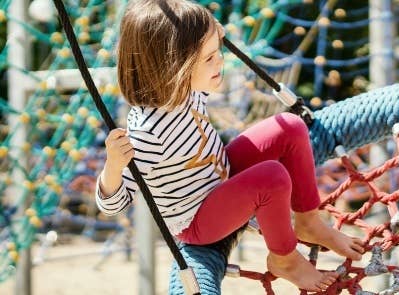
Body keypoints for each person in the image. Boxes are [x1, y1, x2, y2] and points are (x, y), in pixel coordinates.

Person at [94, 0, 364, 291]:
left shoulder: (186, 89)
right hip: (198, 221)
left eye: (217, 52)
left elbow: (187, 44)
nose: (220, 62)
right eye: (209, 58)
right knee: (271, 177)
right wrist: (113, 166)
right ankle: (283, 259)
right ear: (174, 67)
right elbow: (113, 204)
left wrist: (210, 36)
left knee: (291, 126)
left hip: (220, 175)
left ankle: (308, 222)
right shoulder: (148, 135)